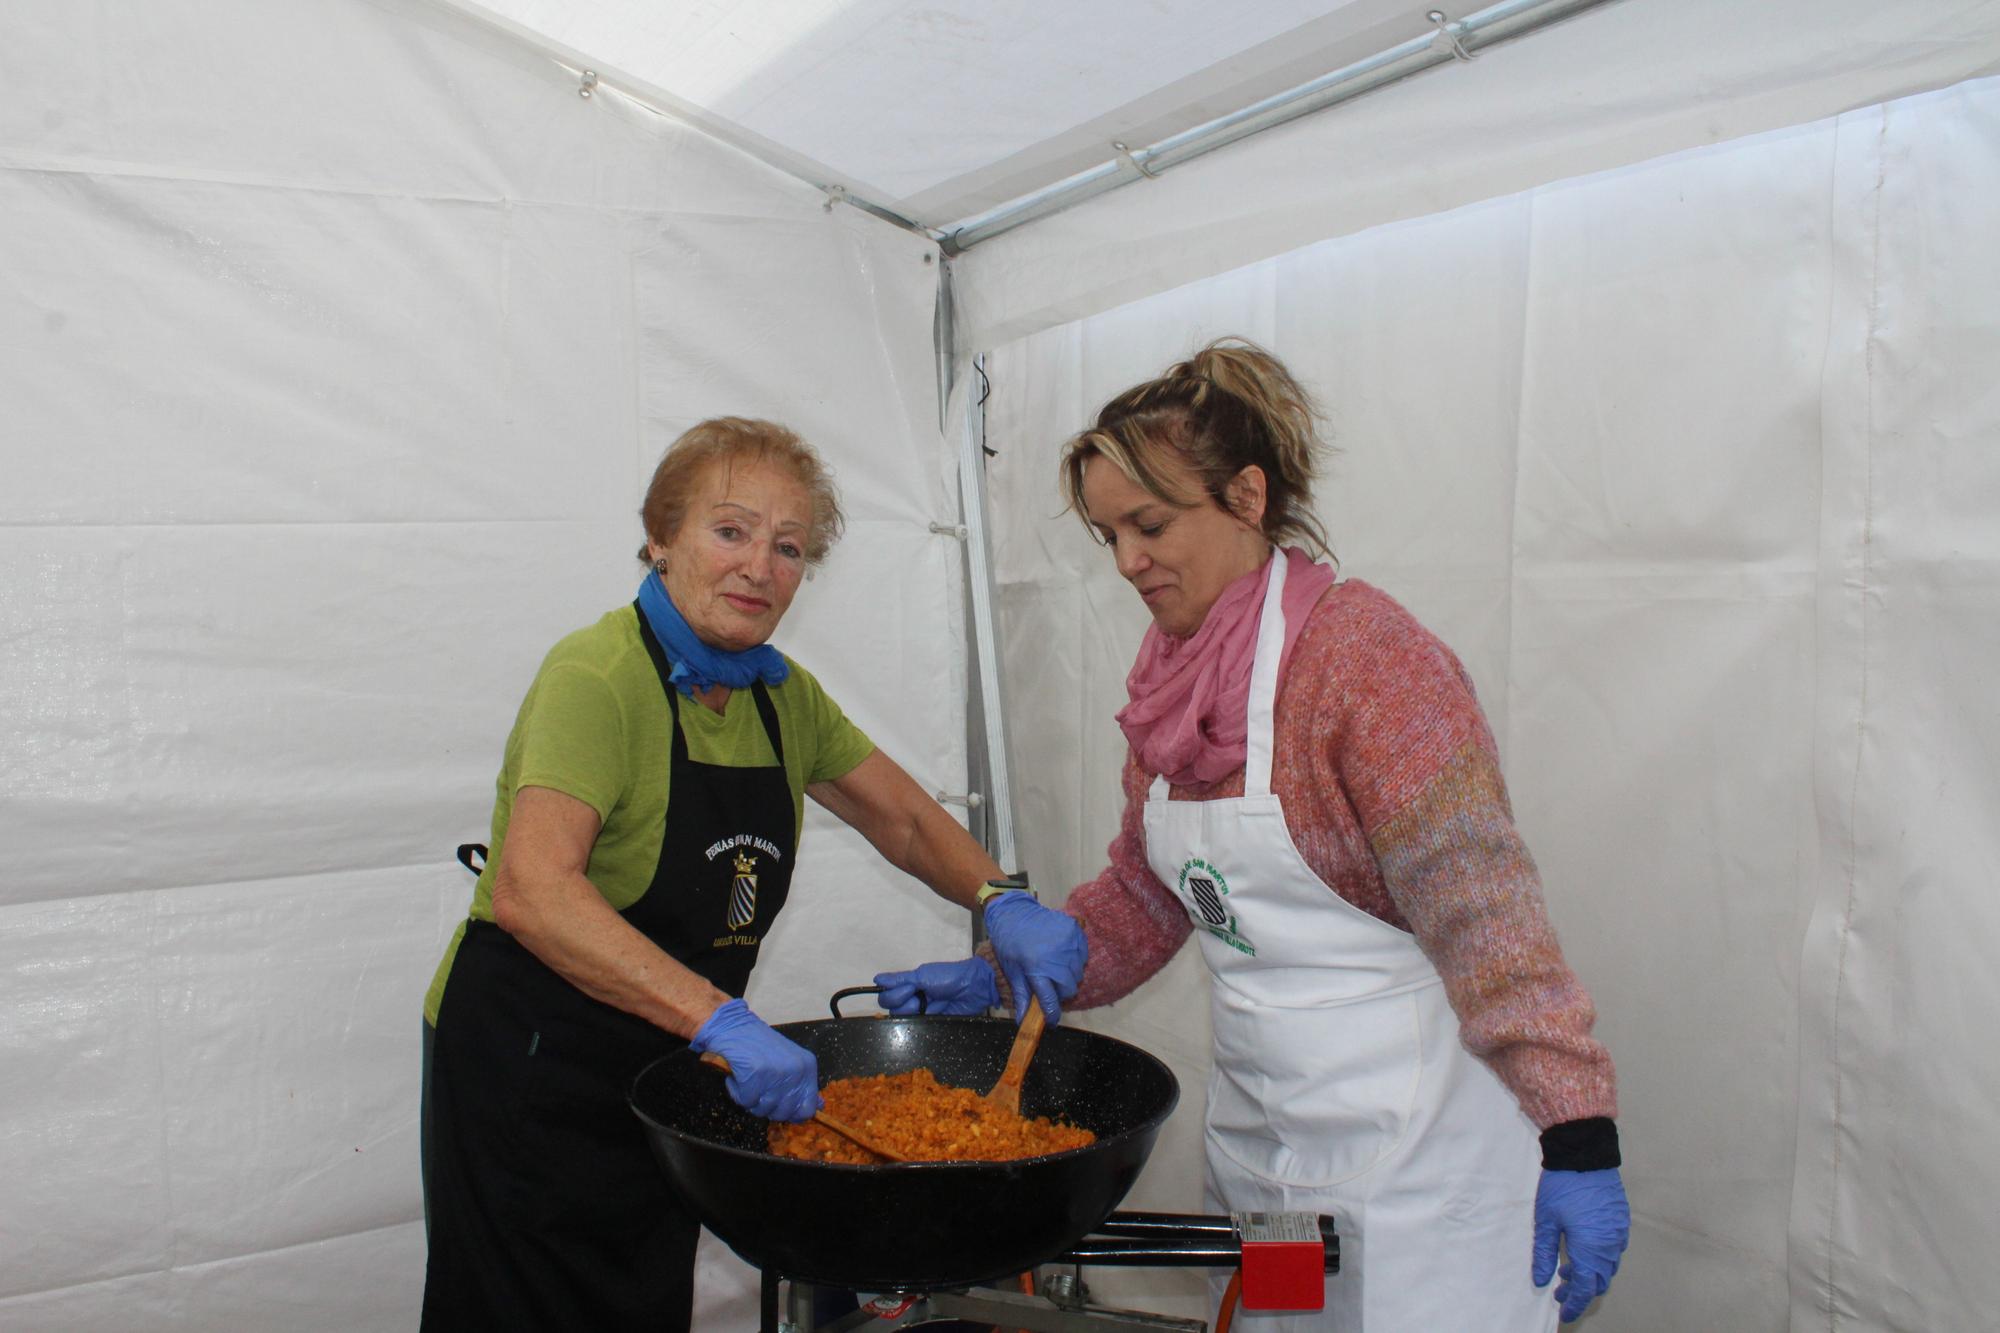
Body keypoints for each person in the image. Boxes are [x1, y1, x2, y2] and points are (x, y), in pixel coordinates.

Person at [874, 342, 1631, 1329]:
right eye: (1108, 535)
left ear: (1245, 495)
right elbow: (1151, 899)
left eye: (1147, 525)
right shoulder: (1170, 685)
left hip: (1415, 1163)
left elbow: (1485, 916)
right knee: (1279, 1320)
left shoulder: (1364, 661)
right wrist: (1011, 973)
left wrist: (1577, 1135)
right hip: (1264, 1147)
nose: (1126, 562)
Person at [418, 417, 1087, 1332]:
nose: (760, 567)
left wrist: (999, 898)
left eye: (788, 547)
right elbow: (533, 890)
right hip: (533, 1070)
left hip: (660, 1068)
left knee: (644, 1301)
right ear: (660, 535)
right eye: (730, 531)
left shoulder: (780, 694)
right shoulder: (598, 675)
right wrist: (720, 1017)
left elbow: (902, 815)